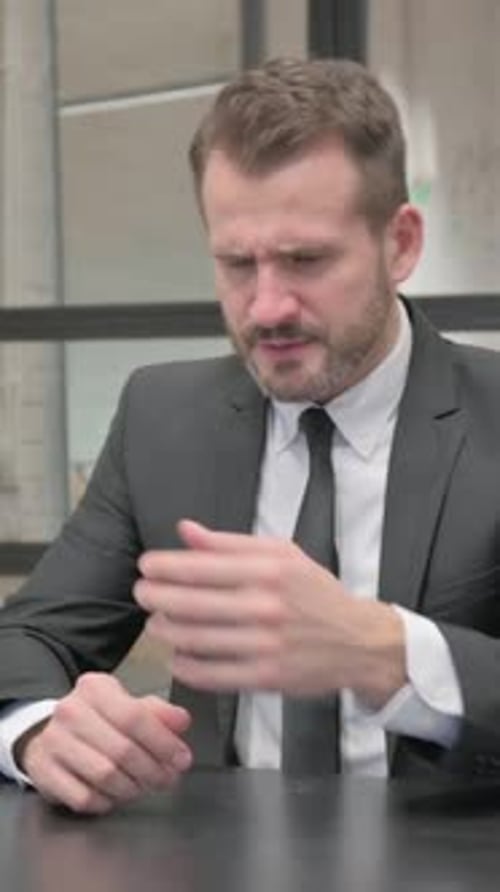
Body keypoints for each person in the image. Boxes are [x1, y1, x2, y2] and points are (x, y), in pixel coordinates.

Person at [1, 57, 500, 816]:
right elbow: (30, 640)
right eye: (237, 264)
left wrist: (384, 651)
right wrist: (42, 732)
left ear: (399, 244)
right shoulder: (162, 417)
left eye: (305, 260)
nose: (266, 307)